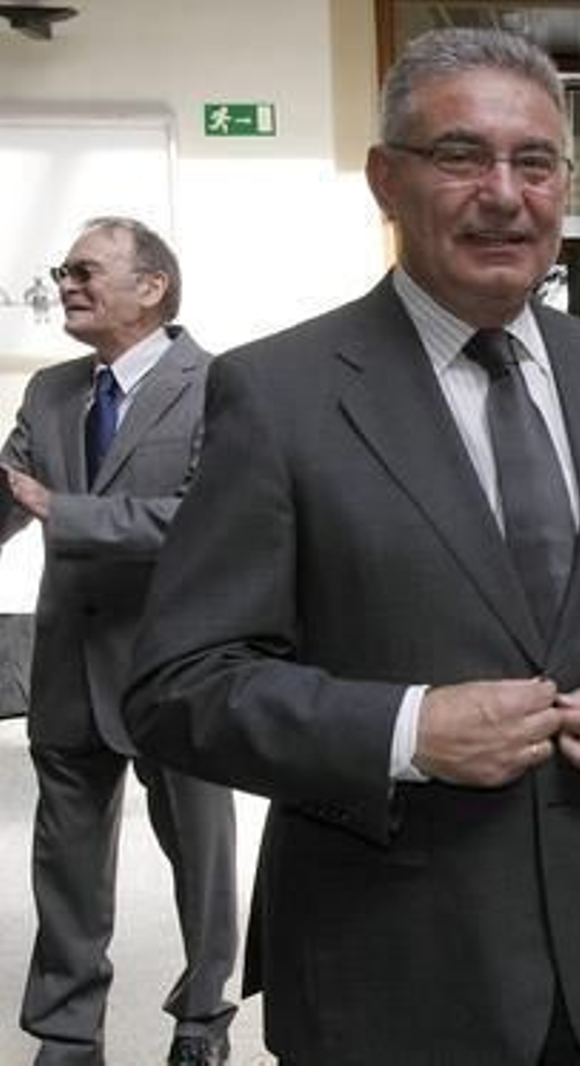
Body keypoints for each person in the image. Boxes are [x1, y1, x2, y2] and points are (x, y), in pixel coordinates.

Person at [122, 29, 580, 1065]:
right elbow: (179, 684)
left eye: (534, 162)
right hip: (382, 965)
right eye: (460, 156)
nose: (504, 193)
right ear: (386, 179)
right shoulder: (280, 393)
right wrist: (406, 729)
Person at [0, 217, 238, 1066]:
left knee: (198, 860)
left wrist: (65, 511)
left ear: (152, 287)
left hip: (175, 664)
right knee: (63, 864)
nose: (65, 283)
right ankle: (65, 1034)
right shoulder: (52, 393)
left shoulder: (219, 385)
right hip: (67, 664)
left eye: (86, 271)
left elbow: (206, 522)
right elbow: (12, 499)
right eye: (62, 271)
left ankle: (203, 1019)